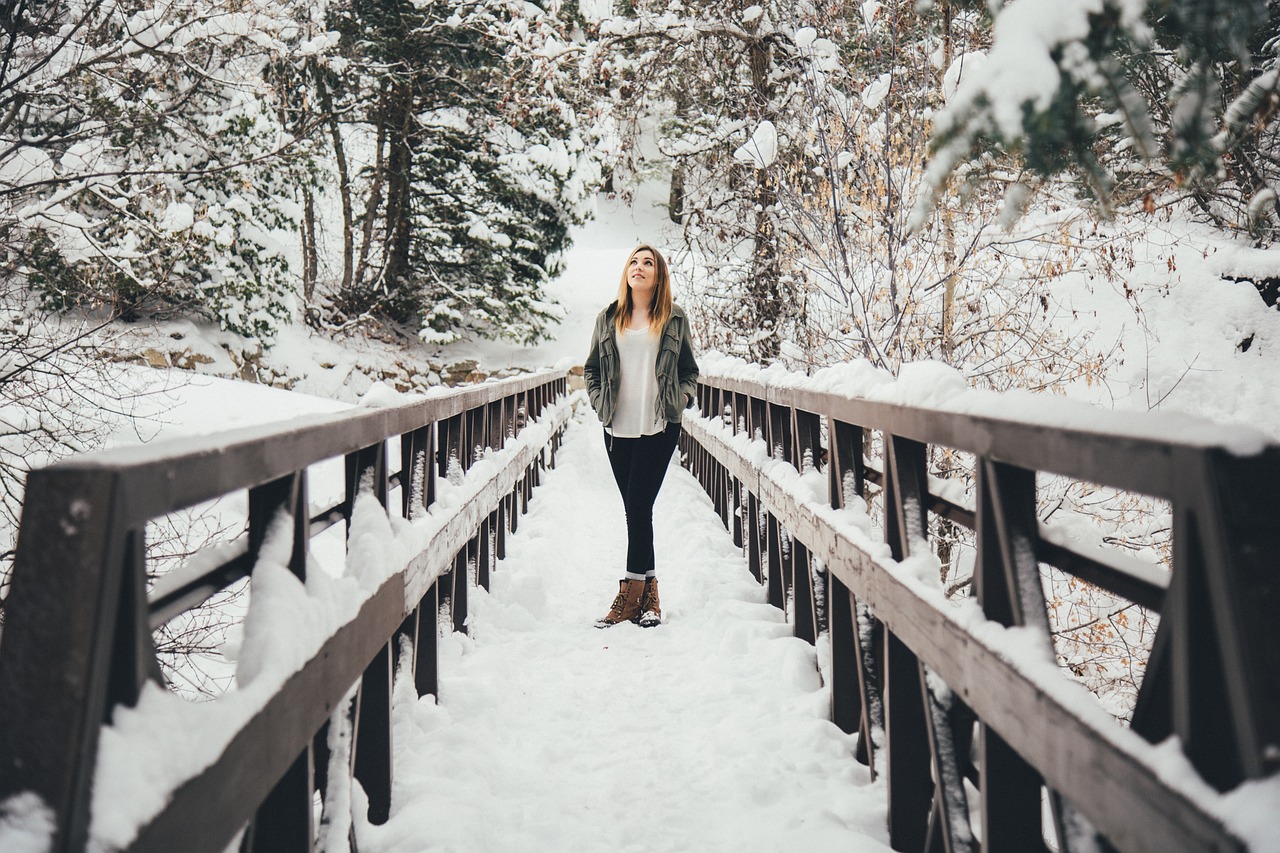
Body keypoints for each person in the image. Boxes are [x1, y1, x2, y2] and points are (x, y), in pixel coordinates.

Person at [583, 244, 699, 628]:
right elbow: (591, 370)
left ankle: (627, 598)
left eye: (648, 262)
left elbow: (688, 371)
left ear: (658, 274)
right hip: (617, 430)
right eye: (634, 261)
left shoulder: (674, 319)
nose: (639, 267)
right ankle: (650, 599)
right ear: (627, 272)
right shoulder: (608, 318)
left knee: (637, 506)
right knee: (639, 512)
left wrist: (679, 399)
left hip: (659, 428)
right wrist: (601, 402)